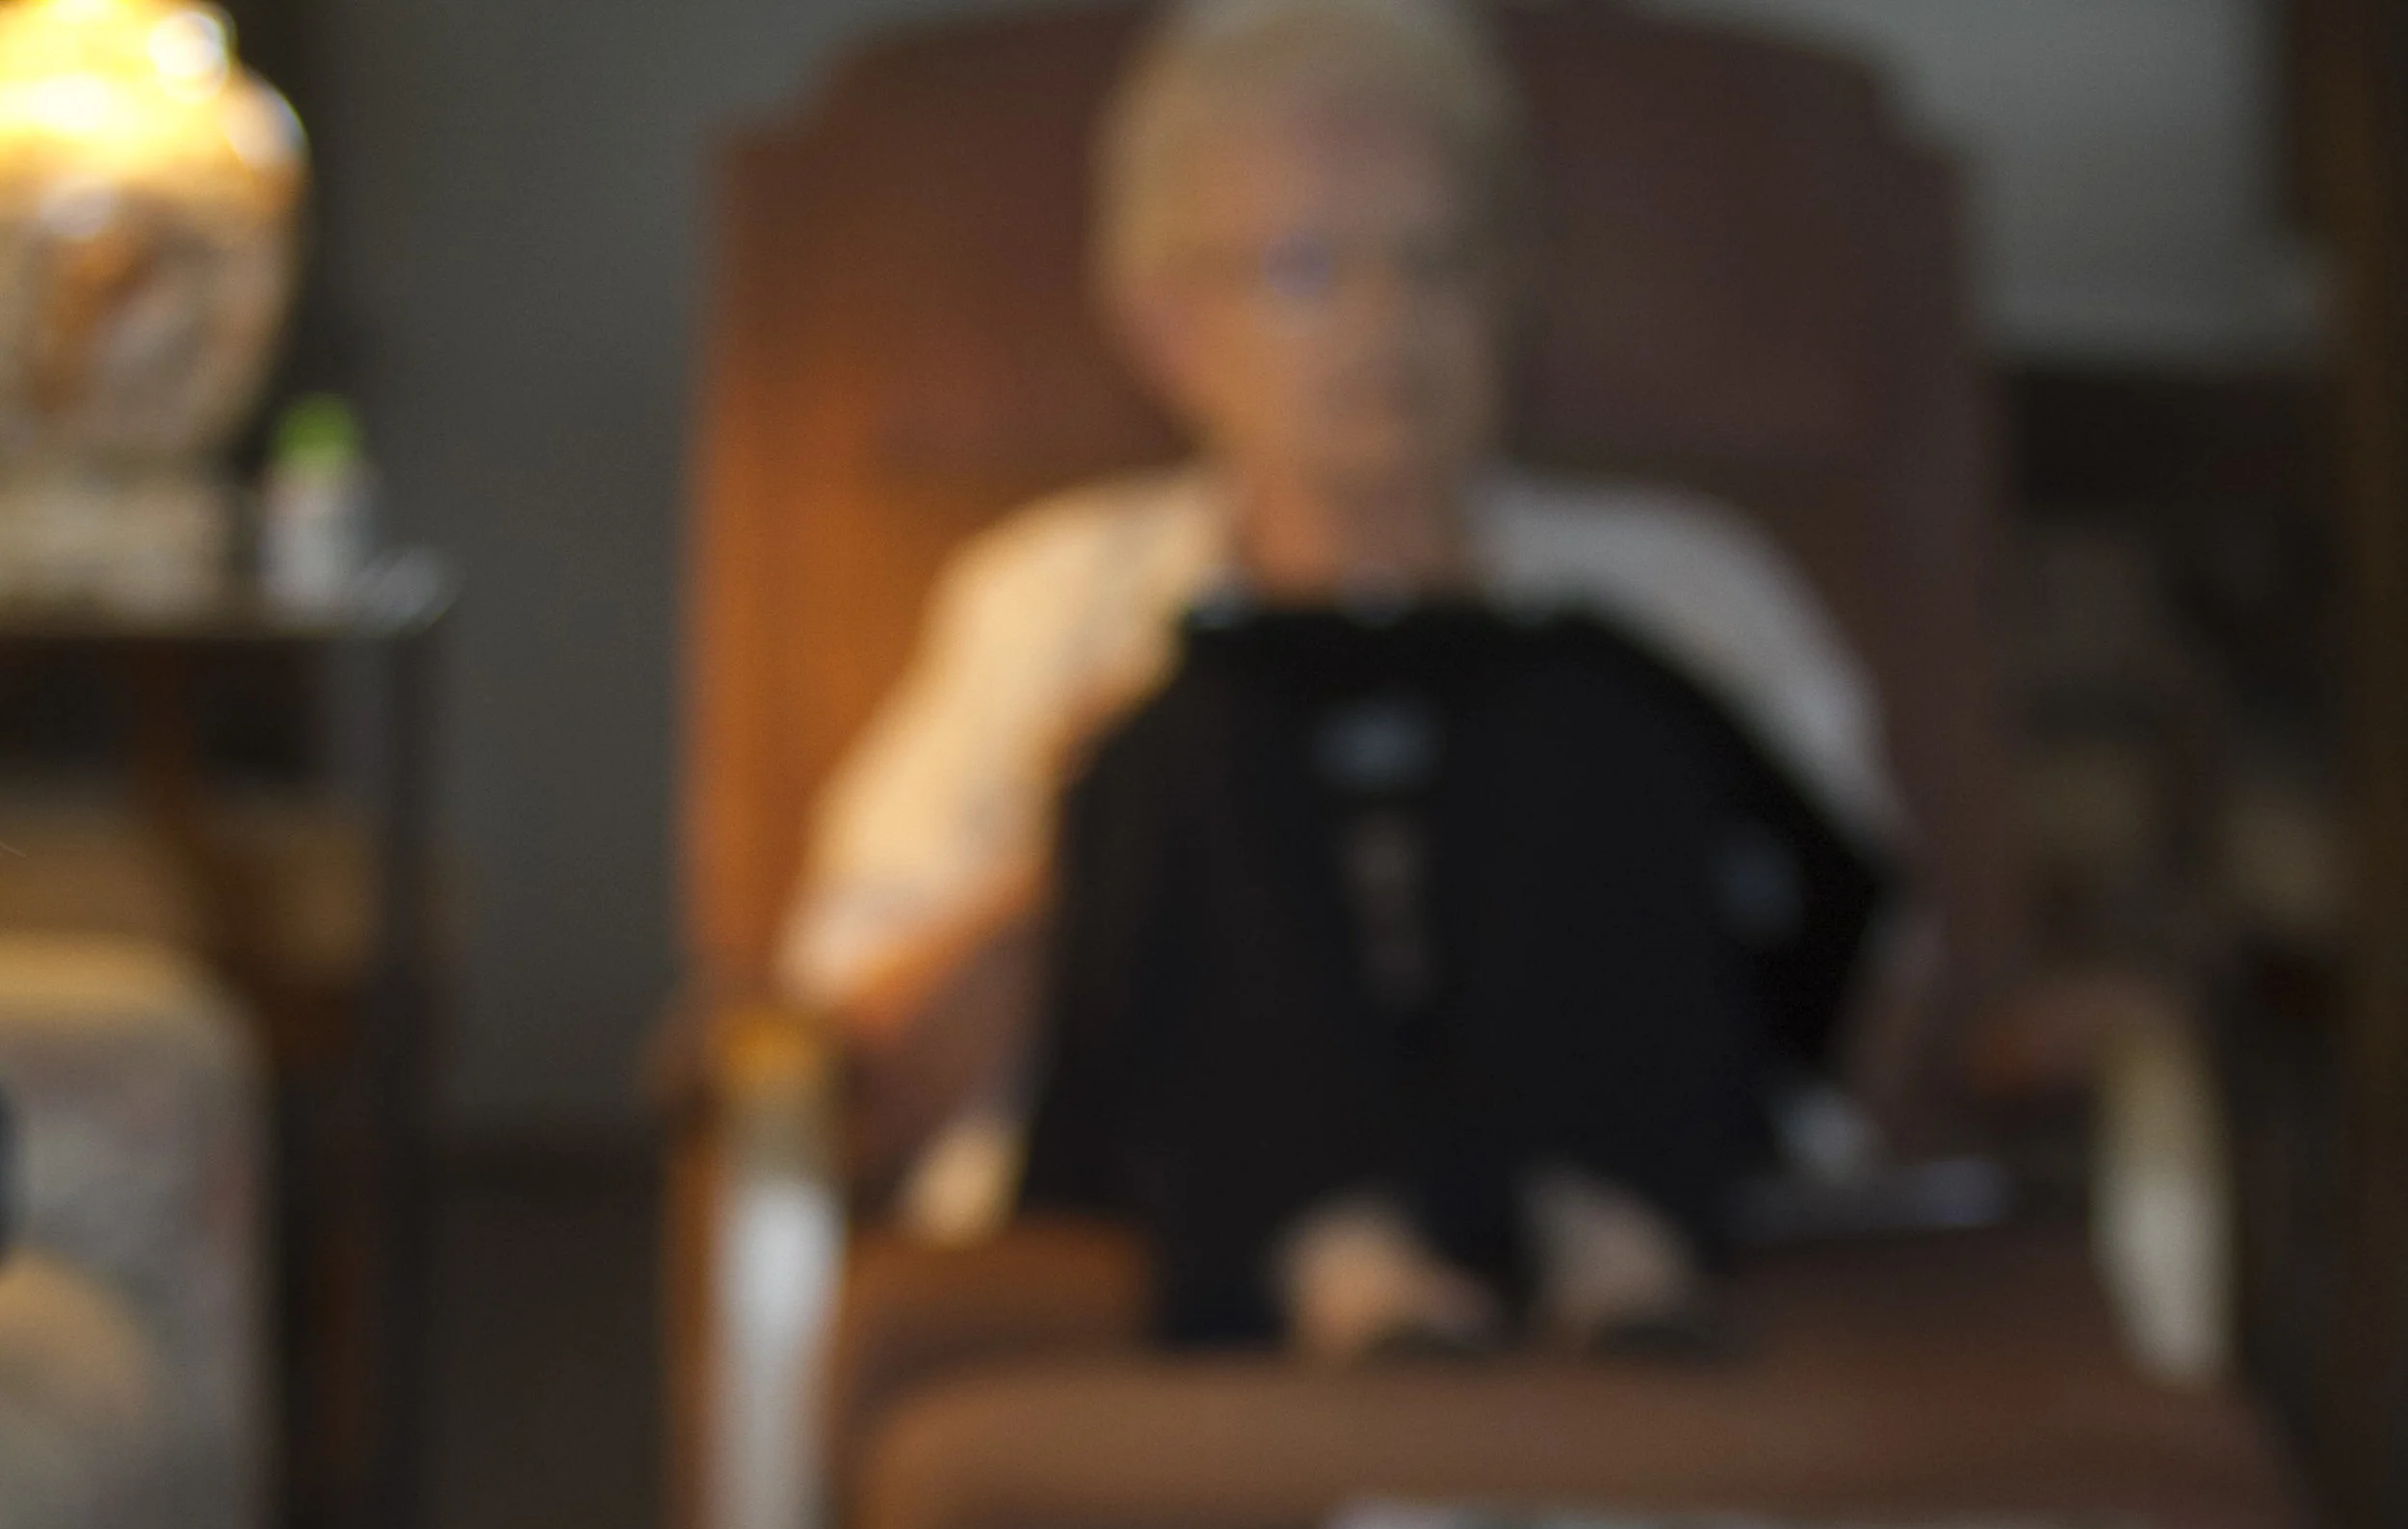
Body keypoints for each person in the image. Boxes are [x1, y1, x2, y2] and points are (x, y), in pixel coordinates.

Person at [781, 0, 1901, 1358]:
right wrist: (1070, 842)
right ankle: (1343, 1265)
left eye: (1435, 263)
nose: (1387, 325)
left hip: (1637, 1253)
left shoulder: (1678, 589)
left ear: (1513, 285)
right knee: (1198, 729)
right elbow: (862, 1082)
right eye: (1308, 269)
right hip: (1189, 1246)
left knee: (1582, 699)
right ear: (1167, 324)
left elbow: (1880, 1007)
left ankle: (1618, 1257)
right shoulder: (1056, 604)